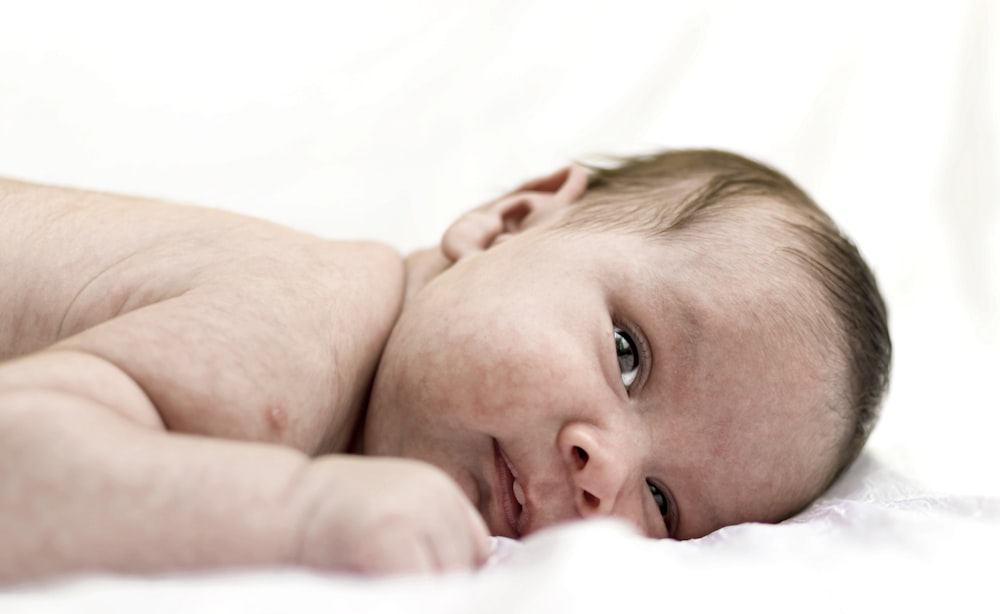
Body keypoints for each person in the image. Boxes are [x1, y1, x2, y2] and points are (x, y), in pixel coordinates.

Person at [0, 149, 890, 581]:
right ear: (510, 221)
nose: (605, 467)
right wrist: (300, 516)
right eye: (627, 354)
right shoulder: (301, 318)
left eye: (662, 502)